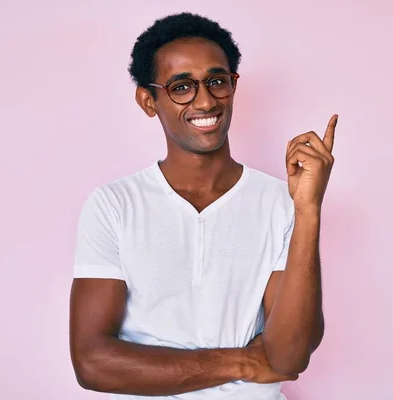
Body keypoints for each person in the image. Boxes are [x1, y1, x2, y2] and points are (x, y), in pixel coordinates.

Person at [69, 12, 336, 400]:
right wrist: (242, 363)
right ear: (148, 100)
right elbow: (92, 363)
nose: (206, 100)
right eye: (181, 87)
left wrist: (308, 209)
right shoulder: (113, 205)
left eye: (217, 81)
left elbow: (289, 357)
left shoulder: (283, 201)